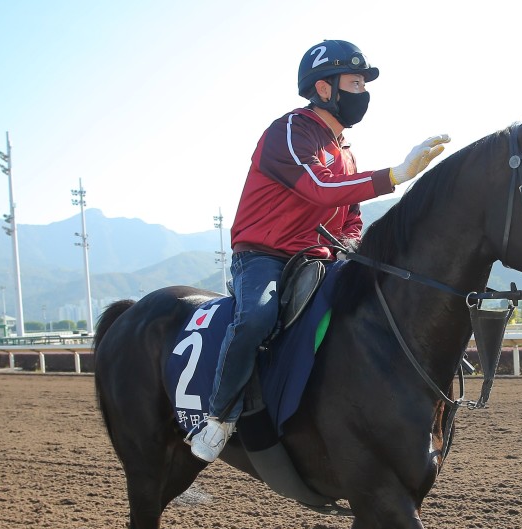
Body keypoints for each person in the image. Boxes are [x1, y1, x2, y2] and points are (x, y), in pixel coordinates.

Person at [189, 39, 449, 462]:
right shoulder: (290, 131)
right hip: (264, 257)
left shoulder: (344, 150)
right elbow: (321, 189)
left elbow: (350, 219)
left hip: (320, 260)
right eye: (355, 82)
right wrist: (395, 175)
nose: (362, 92)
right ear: (324, 88)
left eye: (365, 84)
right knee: (257, 315)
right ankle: (219, 415)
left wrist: (352, 249)